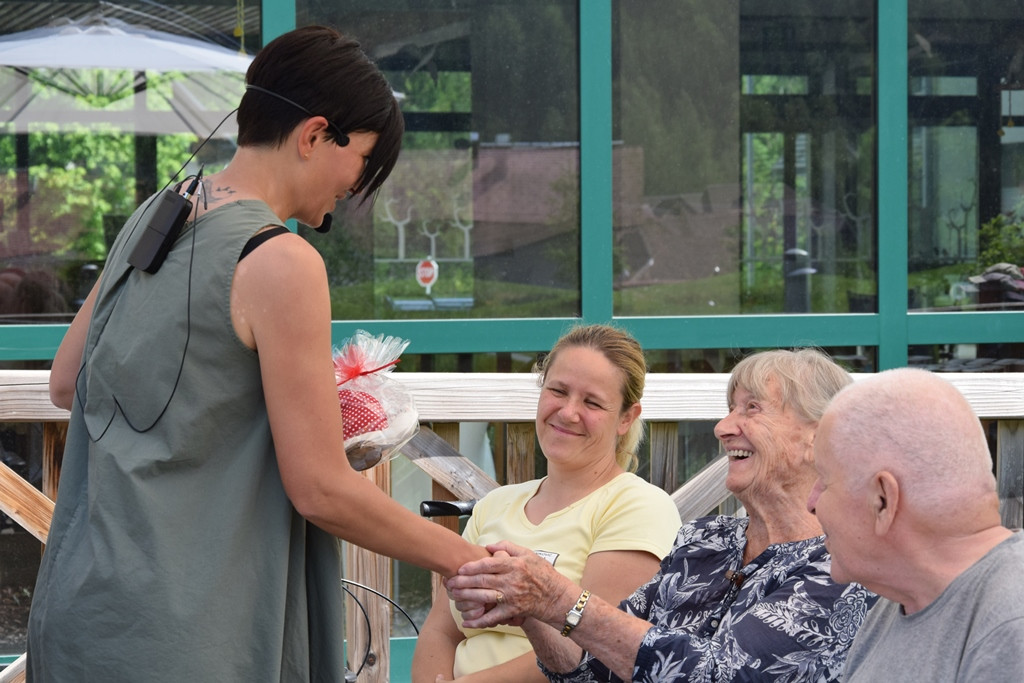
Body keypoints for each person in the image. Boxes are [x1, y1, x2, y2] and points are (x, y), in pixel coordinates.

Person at [28, 26, 488, 682]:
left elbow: (70, 380)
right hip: (193, 633)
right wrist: (458, 557)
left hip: (85, 614)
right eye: (362, 159)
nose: (357, 189)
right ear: (314, 135)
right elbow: (321, 489)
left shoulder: (157, 214)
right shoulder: (282, 260)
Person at [447, 348, 877, 682]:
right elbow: (591, 667)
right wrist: (534, 613)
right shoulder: (706, 541)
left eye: (752, 408)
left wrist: (558, 599)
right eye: (730, 408)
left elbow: (722, 675)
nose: (723, 427)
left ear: (818, 438)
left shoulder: (842, 567)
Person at [412, 324, 682, 682]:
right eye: (558, 390)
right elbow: (441, 632)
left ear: (626, 418)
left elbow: (595, 655)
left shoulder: (639, 506)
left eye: (592, 402)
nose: (568, 412)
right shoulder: (497, 504)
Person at [807, 368, 1024, 682]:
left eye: (824, 482)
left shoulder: (1011, 626)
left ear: (882, 500)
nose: (811, 503)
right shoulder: (898, 603)